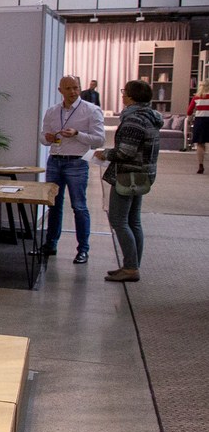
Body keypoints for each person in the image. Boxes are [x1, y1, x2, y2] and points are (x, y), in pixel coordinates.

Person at [94, 80, 162, 282]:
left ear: (131, 96)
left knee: (119, 220)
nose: (122, 94)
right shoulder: (150, 117)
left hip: (128, 175)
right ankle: (132, 265)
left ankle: (131, 268)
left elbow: (126, 152)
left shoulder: (134, 120)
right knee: (133, 221)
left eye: (124, 91)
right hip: (143, 174)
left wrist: (105, 154)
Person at [39, 74, 106, 264]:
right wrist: (48, 138)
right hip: (55, 161)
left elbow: (99, 140)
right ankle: (51, 244)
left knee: (79, 206)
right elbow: (43, 137)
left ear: (80, 88)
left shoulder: (91, 110)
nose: (73, 92)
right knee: (53, 205)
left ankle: (83, 249)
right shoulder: (52, 111)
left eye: (75, 88)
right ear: (60, 90)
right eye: (68, 88)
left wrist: (77, 134)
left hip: (77, 162)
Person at [190, 86, 209, 175]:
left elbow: (189, 110)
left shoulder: (197, 97)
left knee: (200, 143)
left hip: (200, 121)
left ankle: (201, 165)